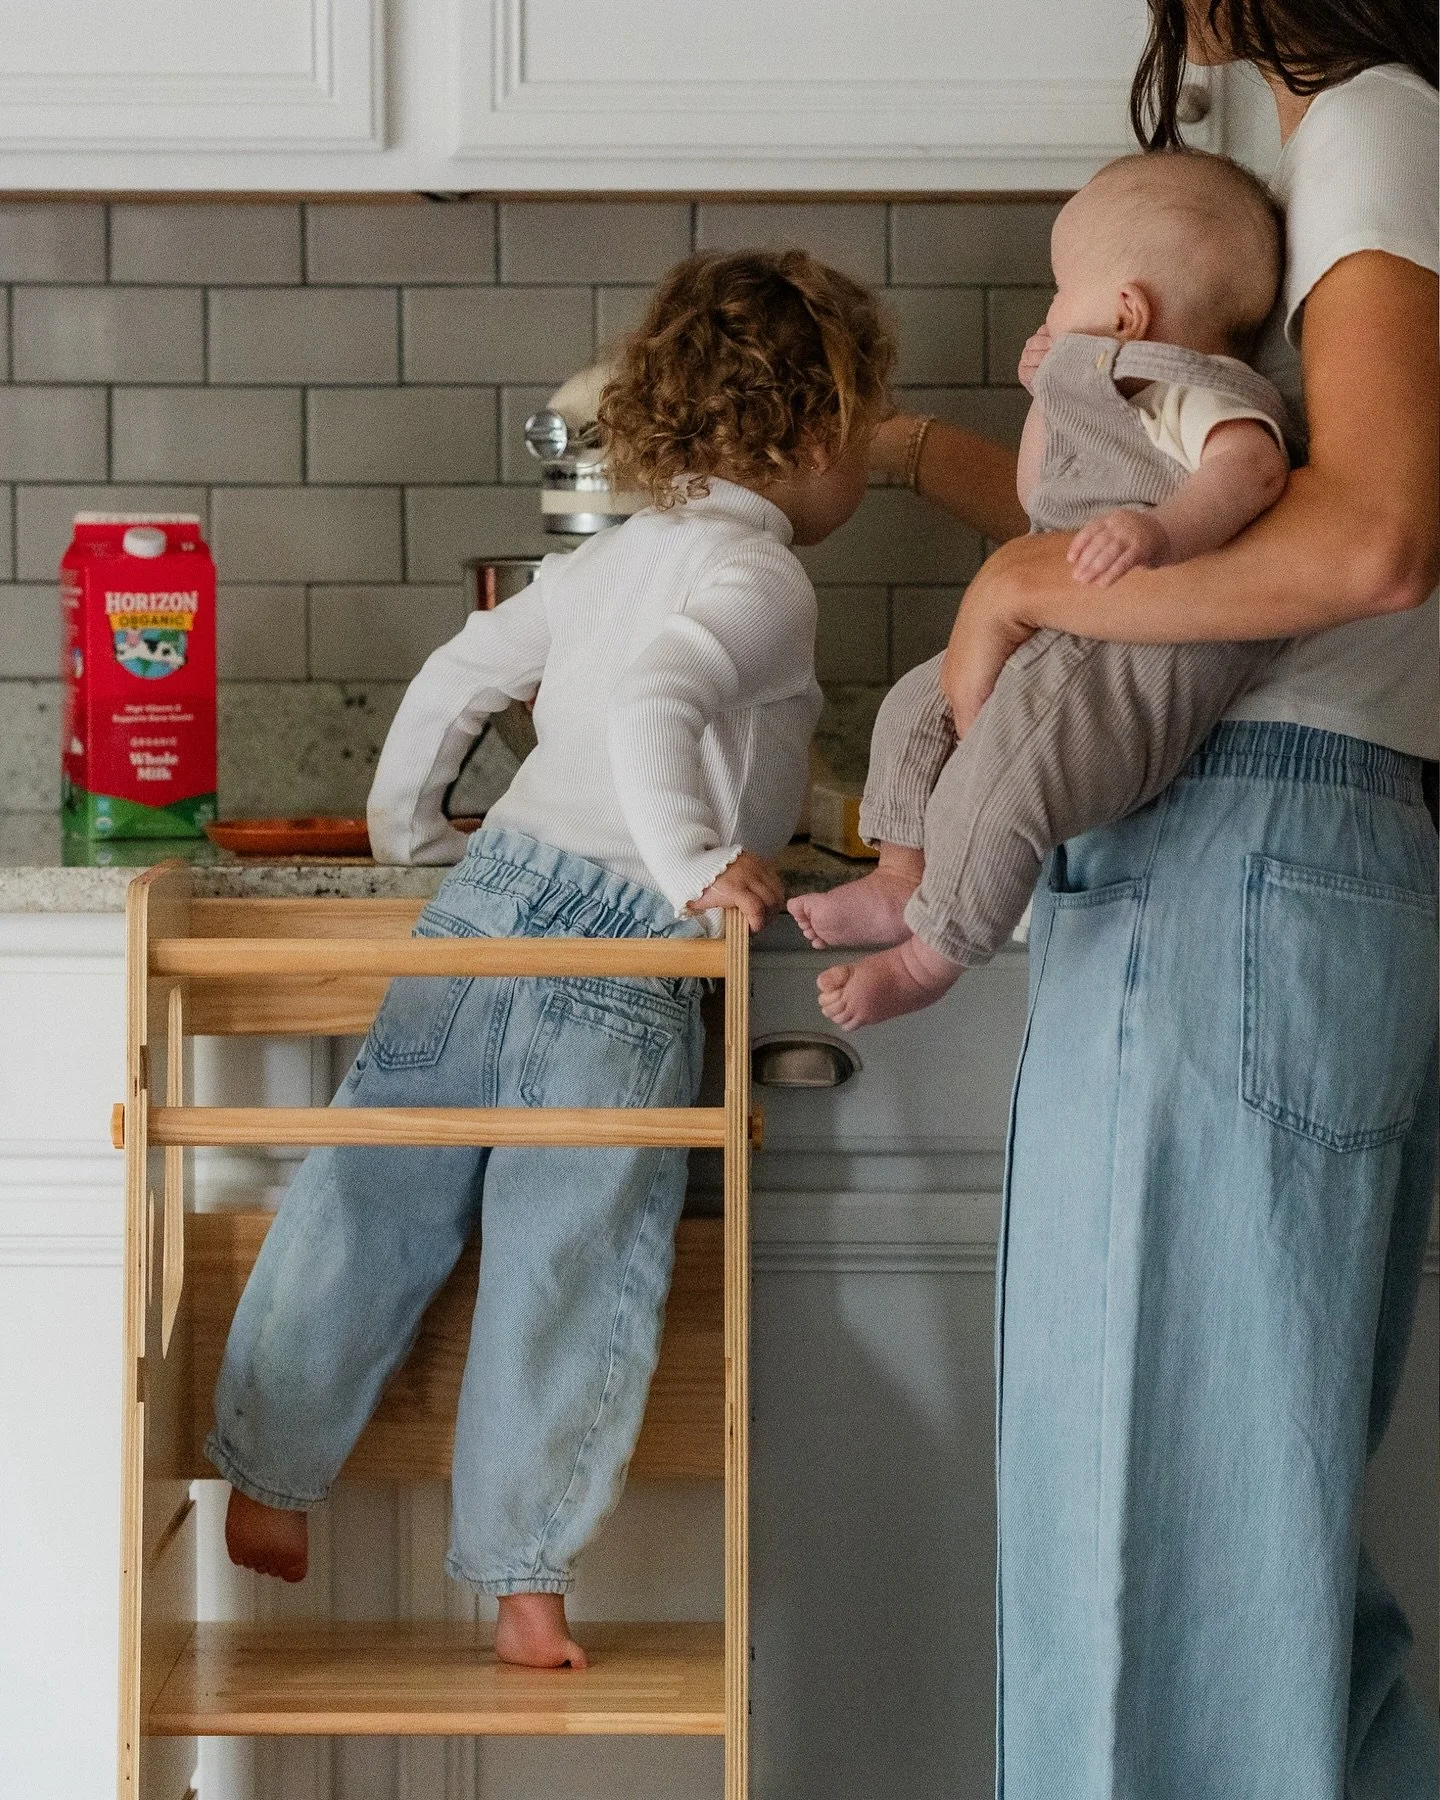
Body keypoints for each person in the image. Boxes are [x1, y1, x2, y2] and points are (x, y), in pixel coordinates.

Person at [872, 5, 1438, 1794]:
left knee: (1169, 1561)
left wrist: (1025, 601)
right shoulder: (1284, 155)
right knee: (1242, 1580)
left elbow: (1369, 544)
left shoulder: (1370, 129)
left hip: (1251, 845)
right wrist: (981, 534)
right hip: (1250, 853)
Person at [206, 248, 894, 1671]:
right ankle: (524, 1582)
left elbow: (464, 670)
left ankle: (270, 1485)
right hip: (623, 946)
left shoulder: (603, 561)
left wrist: (414, 832)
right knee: (568, 1258)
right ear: (820, 435)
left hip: (482, 911)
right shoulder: (760, 575)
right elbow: (662, 699)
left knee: (368, 1190)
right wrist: (700, 861)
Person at [788, 149, 1292, 1028]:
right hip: (1067, 623)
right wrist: (1047, 398)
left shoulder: (1187, 393)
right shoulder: (1105, 389)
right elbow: (1036, 495)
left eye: (1062, 290)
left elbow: (1249, 472)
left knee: (1004, 776)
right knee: (915, 705)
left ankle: (933, 954)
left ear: (1127, 311)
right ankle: (902, 875)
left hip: (1135, 652)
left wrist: (1161, 530)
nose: (1050, 311)